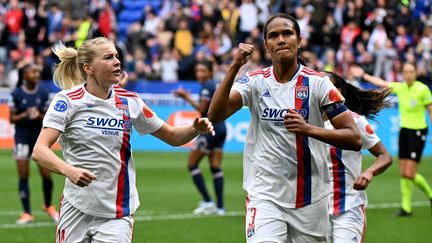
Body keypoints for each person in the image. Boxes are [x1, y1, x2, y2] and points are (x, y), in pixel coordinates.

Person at [31, 37, 214, 243]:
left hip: (118, 212)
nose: (117, 61)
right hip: (76, 206)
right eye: (108, 57)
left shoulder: (131, 101)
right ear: (88, 68)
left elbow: (172, 136)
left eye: (117, 56)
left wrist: (194, 128)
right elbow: (39, 150)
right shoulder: (67, 101)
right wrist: (69, 170)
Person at [208, 13, 362, 243]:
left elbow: (354, 138)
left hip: (311, 198)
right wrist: (234, 66)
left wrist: (308, 129)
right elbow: (215, 114)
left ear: (299, 41)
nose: (281, 39)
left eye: (287, 33)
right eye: (273, 35)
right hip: (264, 194)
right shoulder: (254, 82)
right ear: (267, 46)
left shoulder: (319, 83)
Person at [351, 63, 432, 216]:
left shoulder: (423, 89)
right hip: (404, 132)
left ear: (415, 73)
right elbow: (381, 83)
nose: (408, 74)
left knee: (410, 173)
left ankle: (430, 195)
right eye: (406, 72)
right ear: (402, 74)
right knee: (404, 173)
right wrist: (363, 75)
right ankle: (406, 208)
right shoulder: (400, 87)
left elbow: (430, 110)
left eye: (411, 71)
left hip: (418, 132)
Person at [324, 72, 393, 242]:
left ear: (337, 92)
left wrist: (369, 172)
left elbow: (384, 156)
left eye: (323, 84)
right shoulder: (307, 121)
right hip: (313, 209)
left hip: (348, 206)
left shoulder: (355, 121)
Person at [174, 60, 227, 215]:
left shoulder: (207, 86)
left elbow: (202, 109)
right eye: (197, 71)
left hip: (209, 128)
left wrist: (186, 98)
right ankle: (220, 207)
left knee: (192, 164)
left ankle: (208, 201)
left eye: (203, 70)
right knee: (215, 167)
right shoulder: (214, 84)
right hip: (221, 127)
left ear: (210, 72)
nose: (199, 74)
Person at [9, 63, 59, 224]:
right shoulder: (16, 93)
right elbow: (11, 119)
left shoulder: (44, 92)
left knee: (47, 175)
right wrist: (25, 114)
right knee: (23, 175)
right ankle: (27, 213)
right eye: (33, 72)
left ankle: (48, 205)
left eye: (38, 71)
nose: (37, 74)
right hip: (22, 138)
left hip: (40, 139)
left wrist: (38, 116)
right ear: (25, 76)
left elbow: (48, 116)